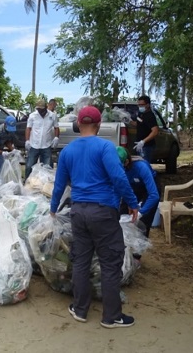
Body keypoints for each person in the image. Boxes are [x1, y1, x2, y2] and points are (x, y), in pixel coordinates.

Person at [50, 106, 139, 329]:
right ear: (99, 126)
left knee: (81, 260)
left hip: (78, 212)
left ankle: (80, 310)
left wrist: (53, 209)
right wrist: (132, 203)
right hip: (103, 212)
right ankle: (111, 317)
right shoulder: (106, 147)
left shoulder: (67, 151)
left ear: (78, 124)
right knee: (110, 263)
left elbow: (59, 185)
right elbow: (118, 178)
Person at [116, 146, 159, 238]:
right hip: (133, 186)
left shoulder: (141, 167)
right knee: (123, 213)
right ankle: (125, 246)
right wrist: (130, 203)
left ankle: (138, 249)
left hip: (150, 187)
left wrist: (140, 213)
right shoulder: (117, 169)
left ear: (127, 162)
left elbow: (154, 195)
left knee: (143, 220)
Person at [24, 99, 59, 179]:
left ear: (46, 107)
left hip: (46, 145)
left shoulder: (52, 115)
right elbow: (28, 128)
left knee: (47, 167)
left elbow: (56, 127)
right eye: (38, 109)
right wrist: (27, 140)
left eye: (42, 109)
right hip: (34, 145)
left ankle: (46, 185)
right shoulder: (33, 116)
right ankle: (27, 183)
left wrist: (56, 137)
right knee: (29, 166)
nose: (40, 111)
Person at [131, 95, 159, 162]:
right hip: (139, 145)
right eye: (139, 105)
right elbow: (138, 124)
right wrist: (127, 120)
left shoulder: (150, 116)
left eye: (142, 105)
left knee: (144, 164)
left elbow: (155, 131)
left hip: (146, 146)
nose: (140, 106)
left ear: (147, 105)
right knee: (140, 164)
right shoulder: (141, 114)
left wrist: (143, 141)